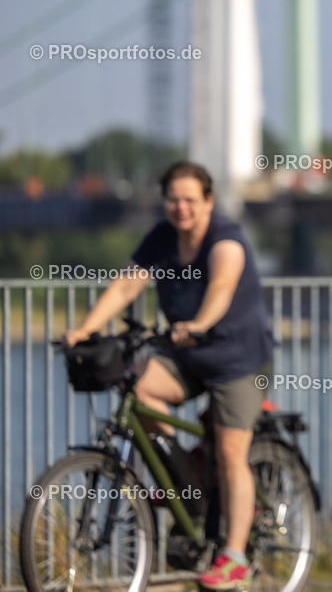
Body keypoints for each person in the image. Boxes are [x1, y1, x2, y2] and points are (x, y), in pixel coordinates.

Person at [64, 161, 274, 590]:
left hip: (238, 361)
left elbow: (220, 286)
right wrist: (85, 329)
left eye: (189, 200)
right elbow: (126, 285)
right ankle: (189, 483)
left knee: (232, 451)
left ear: (208, 202)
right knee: (135, 388)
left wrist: (199, 323)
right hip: (187, 356)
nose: (180, 208)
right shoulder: (162, 238)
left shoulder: (225, 241)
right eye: (173, 200)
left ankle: (233, 557)